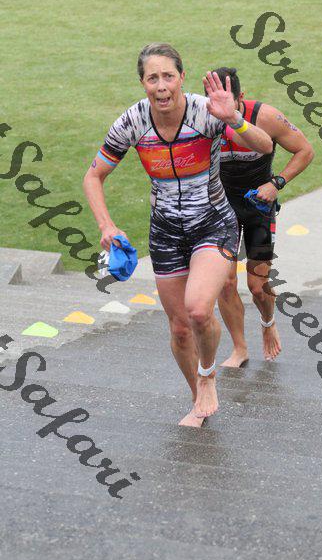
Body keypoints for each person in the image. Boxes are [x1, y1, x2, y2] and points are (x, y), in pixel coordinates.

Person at [83, 44, 273, 428]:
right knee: (181, 329)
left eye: (168, 76)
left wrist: (233, 118)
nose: (161, 86)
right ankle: (197, 397)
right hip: (166, 231)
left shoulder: (207, 111)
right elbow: (94, 175)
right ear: (142, 83)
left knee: (200, 310)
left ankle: (207, 374)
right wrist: (107, 225)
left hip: (213, 222)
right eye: (152, 78)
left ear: (181, 78)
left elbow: (265, 145)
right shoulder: (132, 121)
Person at [211, 67, 314, 367]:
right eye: (215, 103)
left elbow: (305, 150)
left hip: (258, 206)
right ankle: (239, 348)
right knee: (225, 283)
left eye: (229, 103)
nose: (222, 110)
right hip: (222, 207)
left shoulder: (266, 117)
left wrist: (276, 183)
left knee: (257, 285)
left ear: (241, 97)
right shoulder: (203, 119)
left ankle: (268, 322)